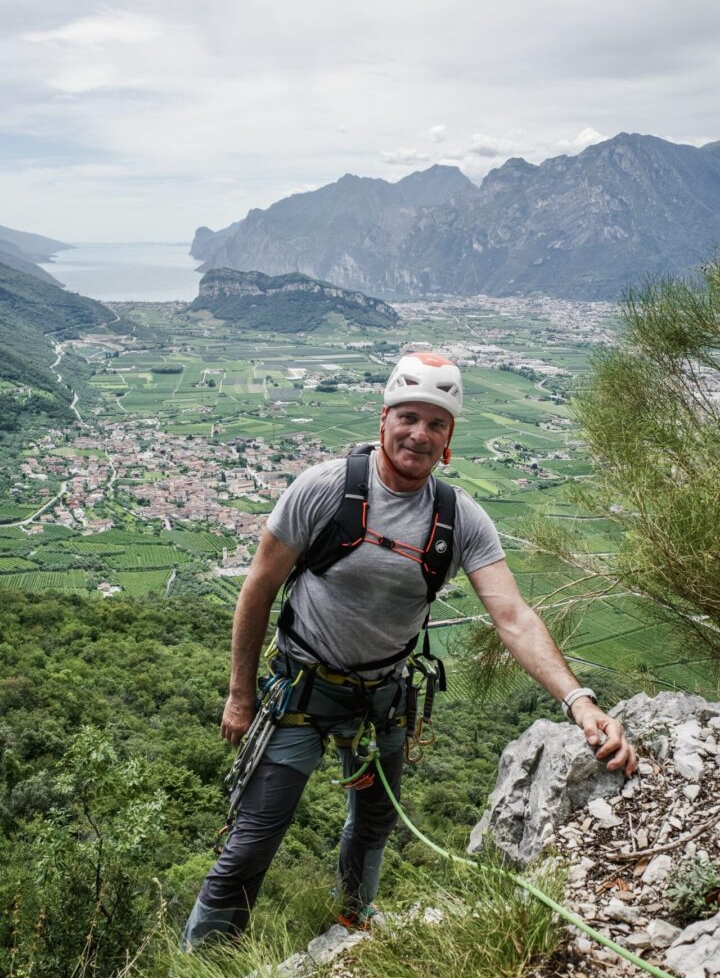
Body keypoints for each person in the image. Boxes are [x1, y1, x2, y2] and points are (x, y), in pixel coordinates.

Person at [181, 352, 636, 947]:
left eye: (436, 423)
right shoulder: (324, 489)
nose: (420, 434)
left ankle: (350, 922)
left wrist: (580, 703)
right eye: (409, 418)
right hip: (301, 691)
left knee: (373, 823)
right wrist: (240, 695)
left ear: (449, 438)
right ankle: (199, 977)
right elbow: (259, 588)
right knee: (254, 840)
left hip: (383, 698)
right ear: (384, 420)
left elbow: (514, 616)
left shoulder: (458, 519)